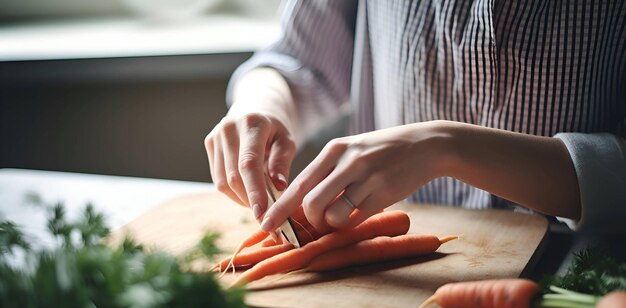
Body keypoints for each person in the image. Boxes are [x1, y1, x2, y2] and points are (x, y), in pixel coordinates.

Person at [204, 1, 626, 235]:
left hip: (587, 276)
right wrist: (261, 102)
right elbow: (298, 59)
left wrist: (445, 146)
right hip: (400, 273)